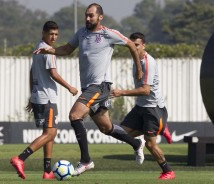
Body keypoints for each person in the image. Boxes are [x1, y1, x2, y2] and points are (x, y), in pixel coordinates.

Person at [34, 3, 145, 176]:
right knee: (106, 128)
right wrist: (50, 50)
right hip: (89, 88)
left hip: (100, 86)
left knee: (75, 115)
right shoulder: (81, 33)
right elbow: (68, 49)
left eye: (91, 16)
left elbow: (131, 45)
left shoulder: (108, 34)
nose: (87, 18)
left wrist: (138, 69)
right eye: (86, 15)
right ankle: (136, 144)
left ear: (100, 17)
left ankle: (86, 160)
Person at [10, 21, 78, 180]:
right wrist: (70, 87)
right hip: (47, 98)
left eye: (56, 34)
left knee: (48, 134)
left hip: (38, 97)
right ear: (43, 33)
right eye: (51, 34)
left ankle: (47, 171)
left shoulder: (38, 47)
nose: (53, 37)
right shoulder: (48, 51)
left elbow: (32, 72)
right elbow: (53, 74)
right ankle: (20, 158)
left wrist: (31, 95)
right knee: (51, 133)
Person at [110, 32, 176, 180]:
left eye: (137, 45)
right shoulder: (135, 60)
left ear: (144, 45)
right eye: (132, 45)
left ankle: (168, 171)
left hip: (153, 109)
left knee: (150, 145)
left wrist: (121, 92)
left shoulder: (148, 62)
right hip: (140, 107)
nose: (134, 47)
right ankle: (144, 139)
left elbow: (146, 91)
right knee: (120, 132)